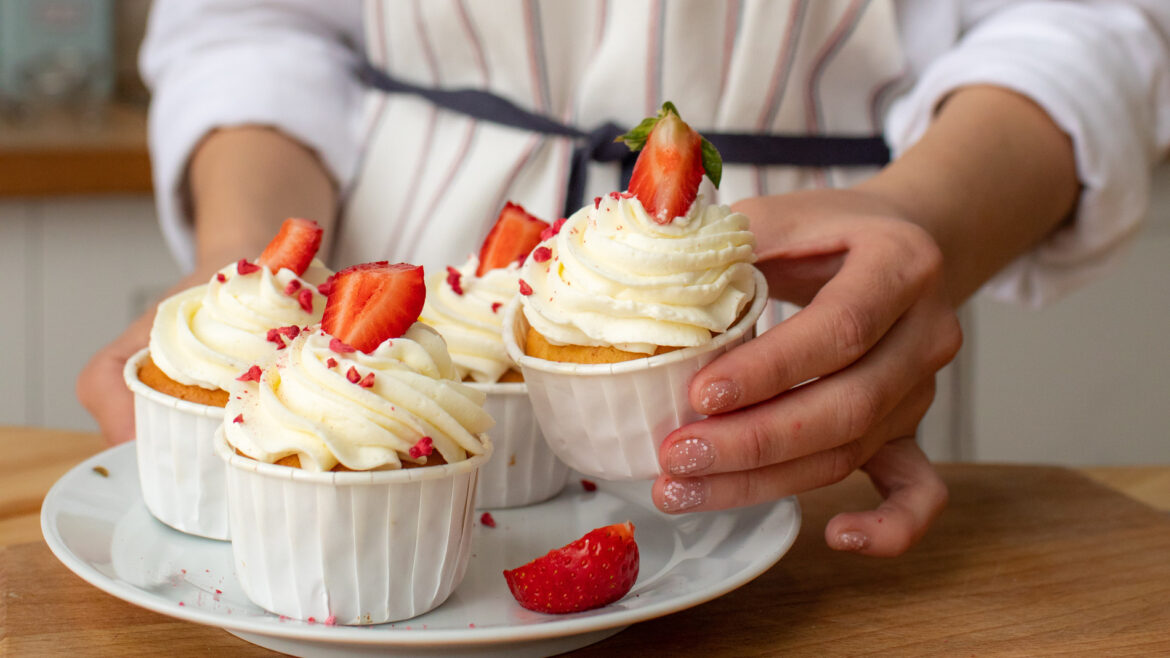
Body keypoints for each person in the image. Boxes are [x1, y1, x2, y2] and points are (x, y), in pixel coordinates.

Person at [78, 0, 1170, 558]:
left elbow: (1088, 19)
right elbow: (250, 20)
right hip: (387, 328)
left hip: (810, 339)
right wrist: (264, 297)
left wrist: (922, 217)